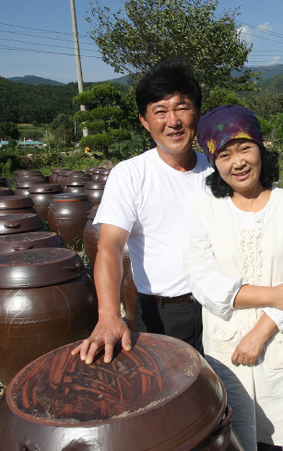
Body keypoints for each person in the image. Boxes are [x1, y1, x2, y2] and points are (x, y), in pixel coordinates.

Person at [183, 105, 283, 451]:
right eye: (224, 154)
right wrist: (272, 295)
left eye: (245, 148)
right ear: (214, 162)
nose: (237, 162)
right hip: (227, 346)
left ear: (260, 148)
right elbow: (203, 282)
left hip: (278, 341)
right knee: (235, 433)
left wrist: (259, 333)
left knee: (281, 432)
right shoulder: (204, 212)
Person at [72, 58, 214, 364]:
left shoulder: (218, 170)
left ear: (197, 113)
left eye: (182, 107)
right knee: (171, 399)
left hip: (222, 307)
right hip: (162, 313)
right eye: (160, 111)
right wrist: (109, 315)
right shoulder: (130, 174)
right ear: (144, 121)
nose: (173, 121)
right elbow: (109, 245)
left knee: (223, 397)